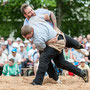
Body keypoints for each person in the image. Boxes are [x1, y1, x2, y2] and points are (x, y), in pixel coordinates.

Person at [21, 23, 88, 85]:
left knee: (43, 59)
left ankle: (38, 82)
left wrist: (47, 42)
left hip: (56, 42)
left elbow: (43, 48)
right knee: (60, 63)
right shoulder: (34, 25)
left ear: (31, 31)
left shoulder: (37, 38)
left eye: (28, 37)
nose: (28, 39)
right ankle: (82, 73)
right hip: (57, 40)